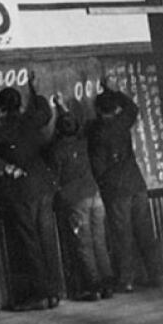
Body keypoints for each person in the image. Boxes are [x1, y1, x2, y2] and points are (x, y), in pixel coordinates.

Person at [0, 72, 62, 311]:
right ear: (20, 103)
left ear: (1, 106)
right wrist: (35, 90)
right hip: (44, 187)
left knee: (30, 242)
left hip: (21, 192)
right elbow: (46, 113)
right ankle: (55, 291)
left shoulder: (0, 127)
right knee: (47, 238)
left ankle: (40, 295)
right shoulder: (31, 118)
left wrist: (5, 168)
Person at [88, 79, 163, 292]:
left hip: (116, 189)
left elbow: (98, 167)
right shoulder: (123, 121)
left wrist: (103, 184)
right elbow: (133, 107)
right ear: (115, 109)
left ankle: (127, 280)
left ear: (98, 110)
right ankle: (156, 275)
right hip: (136, 184)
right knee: (145, 230)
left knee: (122, 235)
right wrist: (113, 90)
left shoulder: (97, 132)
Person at [49, 96, 114, 301]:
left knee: (84, 244)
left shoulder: (56, 150)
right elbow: (72, 124)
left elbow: (54, 178)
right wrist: (61, 106)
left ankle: (93, 287)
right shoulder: (83, 142)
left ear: (57, 131)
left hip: (76, 200)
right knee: (99, 242)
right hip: (96, 196)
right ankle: (107, 286)